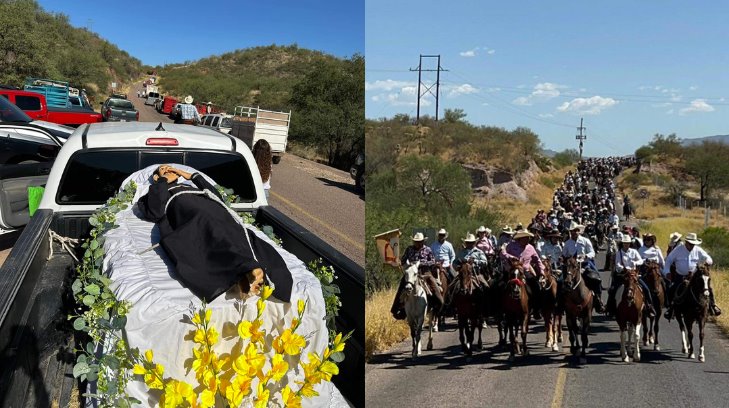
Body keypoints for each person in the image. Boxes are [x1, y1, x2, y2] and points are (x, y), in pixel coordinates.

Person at [137, 165, 293, 302]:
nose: (168, 170)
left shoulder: (191, 186)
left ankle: (248, 270)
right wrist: (162, 181)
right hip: (190, 210)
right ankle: (244, 269)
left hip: (214, 209)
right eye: (164, 169)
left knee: (232, 231)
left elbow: (216, 196)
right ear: (156, 176)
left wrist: (190, 176)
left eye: (170, 168)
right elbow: (155, 211)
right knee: (212, 234)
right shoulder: (156, 191)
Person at [663, 233, 721, 318]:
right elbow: (668, 260)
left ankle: (712, 306)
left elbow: (709, 259)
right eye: (690, 243)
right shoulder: (678, 250)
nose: (692, 245)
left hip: (695, 277)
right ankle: (671, 309)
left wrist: (706, 262)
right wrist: (667, 272)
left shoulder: (698, 250)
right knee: (673, 289)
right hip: (681, 276)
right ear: (686, 242)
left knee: (708, 289)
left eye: (693, 244)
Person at [390, 233, 442, 320]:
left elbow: (432, 261)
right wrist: (404, 263)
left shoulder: (428, 249)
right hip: (411, 272)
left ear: (423, 241)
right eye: (416, 241)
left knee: (434, 287)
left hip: (425, 272)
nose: (417, 243)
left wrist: (421, 263)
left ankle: (438, 304)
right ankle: (398, 309)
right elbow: (403, 260)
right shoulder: (409, 249)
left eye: (419, 241)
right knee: (402, 285)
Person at [606, 234, 655, 317]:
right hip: (623, 275)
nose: (626, 244)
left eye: (628, 243)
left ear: (630, 244)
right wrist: (625, 269)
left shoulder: (634, 251)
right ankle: (610, 308)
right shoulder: (619, 253)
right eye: (625, 243)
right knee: (612, 290)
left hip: (633, 275)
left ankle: (650, 307)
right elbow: (618, 265)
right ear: (622, 243)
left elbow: (640, 261)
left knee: (646, 289)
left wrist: (635, 263)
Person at [561, 221, 605, 313]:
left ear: (578, 231)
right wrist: (562, 258)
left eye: (575, 230)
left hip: (585, 265)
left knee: (596, 279)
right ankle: (560, 303)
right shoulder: (567, 243)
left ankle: (598, 300)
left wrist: (586, 256)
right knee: (560, 281)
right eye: (572, 231)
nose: (574, 232)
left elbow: (592, 252)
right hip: (571, 267)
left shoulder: (585, 241)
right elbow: (564, 254)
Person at [502, 230, 544, 319]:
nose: (528, 239)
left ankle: (536, 309)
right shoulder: (511, 245)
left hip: (525, 271)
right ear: (520, 238)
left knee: (536, 287)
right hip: (512, 270)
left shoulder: (531, 248)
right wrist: (510, 257)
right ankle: (499, 310)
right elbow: (503, 253)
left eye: (528, 237)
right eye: (526, 237)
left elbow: (538, 260)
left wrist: (542, 272)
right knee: (499, 285)